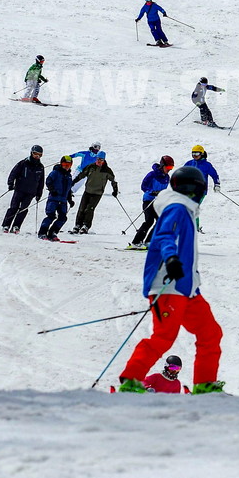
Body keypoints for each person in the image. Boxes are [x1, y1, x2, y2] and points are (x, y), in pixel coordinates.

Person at [118, 166, 227, 395]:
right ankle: (131, 381)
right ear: (194, 189)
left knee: (210, 333)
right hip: (168, 283)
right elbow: (165, 236)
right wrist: (171, 259)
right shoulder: (177, 208)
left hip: (187, 288)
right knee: (164, 337)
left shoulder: (185, 209)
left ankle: (205, 385)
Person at [129, 156, 175, 248]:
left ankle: (149, 242)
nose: (169, 170)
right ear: (162, 165)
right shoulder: (152, 174)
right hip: (148, 201)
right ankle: (136, 242)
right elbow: (143, 186)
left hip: (158, 202)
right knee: (149, 221)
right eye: (168, 167)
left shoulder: (167, 177)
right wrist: (152, 191)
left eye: (171, 168)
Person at [70, 153, 119, 234]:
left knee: (89, 209)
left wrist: (115, 190)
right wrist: (73, 182)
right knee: (82, 208)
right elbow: (81, 175)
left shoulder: (107, 170)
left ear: (104, 160)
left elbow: (113, 180)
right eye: (98, 159)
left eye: (101, 160)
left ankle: (86, 226)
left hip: (97, 193)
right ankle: (78, 225)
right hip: (87, 191)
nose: (99, 161)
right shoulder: (91, 167)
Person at [2, 145, 45, 233]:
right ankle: (6, 225)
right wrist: (10, 183)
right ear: (31, 153)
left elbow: (41, 182)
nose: (37, 156)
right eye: (35, 154)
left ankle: (16, 226)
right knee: (14, 207)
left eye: (39, 155)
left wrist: (39, 193)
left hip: (31, 192)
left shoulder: (40, 167)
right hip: (19, 189)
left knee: (23, 209)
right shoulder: (23, 163)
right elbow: (14, 173)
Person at [38, 155, 75, 240]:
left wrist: (70, 200)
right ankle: (42, 232)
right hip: (53, 199)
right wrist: (52, 190)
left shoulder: (69, 176)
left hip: (63, 201)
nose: (66, 167)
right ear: (61, 164)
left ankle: (53, 233)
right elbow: (48, 181)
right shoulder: (55, 172)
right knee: (50, 216)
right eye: (65, 164)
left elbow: (68, 189)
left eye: (68, 165)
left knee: (63, 218)